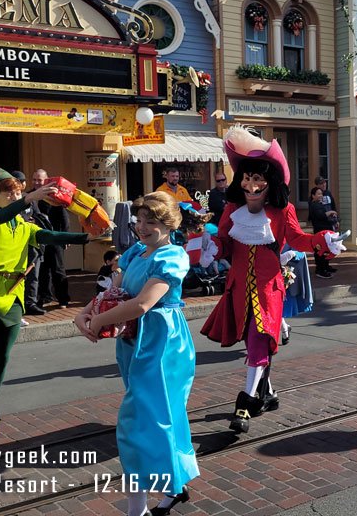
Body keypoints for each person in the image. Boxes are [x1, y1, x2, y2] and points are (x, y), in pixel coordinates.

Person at [201, 125, 344, 434]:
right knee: (257, 346)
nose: (252, 184)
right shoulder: (232, 209)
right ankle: (267, 393)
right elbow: (225, 242)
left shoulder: (283, 211)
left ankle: (246, 403)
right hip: (238, 290)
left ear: (270, 182)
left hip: (268, 291)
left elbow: (299, 240)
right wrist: (212, 248)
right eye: (247, 178)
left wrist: (324, 240)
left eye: (258, 178)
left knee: (257, 342)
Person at [76, 191, 199, 516]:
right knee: (157, 417)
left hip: (161, 343)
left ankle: (137, 510)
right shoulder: (135, 253)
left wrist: (99, 319)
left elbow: (144, 302)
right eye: (140, 220)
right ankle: (173, 488)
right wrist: (84, 312)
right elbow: (116, 290)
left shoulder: (172, 256)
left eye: (152, 221)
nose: (143, 227)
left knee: (139, 422)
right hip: (135, 340)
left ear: (169, 223)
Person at [0, 169, 89, 440]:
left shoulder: (25, 227)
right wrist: (28, 199)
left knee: (2, 359)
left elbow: (50, 237)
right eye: (8, 192)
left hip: (12, 296)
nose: (15, 195)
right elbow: (0, 217)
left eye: (18, 192)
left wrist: (87, 237)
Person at [33, 169, 72, 309]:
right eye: (34, 180)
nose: (36, 183)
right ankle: (45, 297)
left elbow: (64, 218)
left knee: (58, 270)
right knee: (42, 270)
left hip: (55, 239)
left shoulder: (54, 195)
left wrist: (65, 237)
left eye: (40, 180)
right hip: (38, 240)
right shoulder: (31, 196)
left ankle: (63, 299)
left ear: (47, 181)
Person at [13, 171, 46, 316]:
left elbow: (38, 216)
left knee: (33, 274)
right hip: (14, 243)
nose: (20, 184)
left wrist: (34, 221)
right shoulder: (7, 198)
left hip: (31, 242)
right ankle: (15, 303)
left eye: (22, 181)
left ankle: (30, 303)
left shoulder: (29, 197)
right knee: (15, 274)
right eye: (17, 181)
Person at [309, 187, 336, 279]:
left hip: (325, 230)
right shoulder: (314, 205)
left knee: (326, 249)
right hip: (320, 231)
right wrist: (331, 212)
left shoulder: (320, 204)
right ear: (313, 196)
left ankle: (326, 266)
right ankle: (320, 270)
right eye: (318, 194)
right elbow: (321, 215)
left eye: (321, 194)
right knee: (320, 250)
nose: (321, 196)